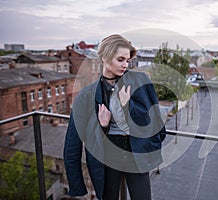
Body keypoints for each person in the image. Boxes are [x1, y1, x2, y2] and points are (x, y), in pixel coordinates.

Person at [63, 34, 166, 200]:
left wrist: (128, 106)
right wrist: (103, 126)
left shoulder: (140, 81)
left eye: (127, 60)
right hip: (108, 156)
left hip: (136, 154)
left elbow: (153, 122)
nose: (125, 65)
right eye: (120, 60)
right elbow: (72, 143)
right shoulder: (87, 95)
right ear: (104, 57)